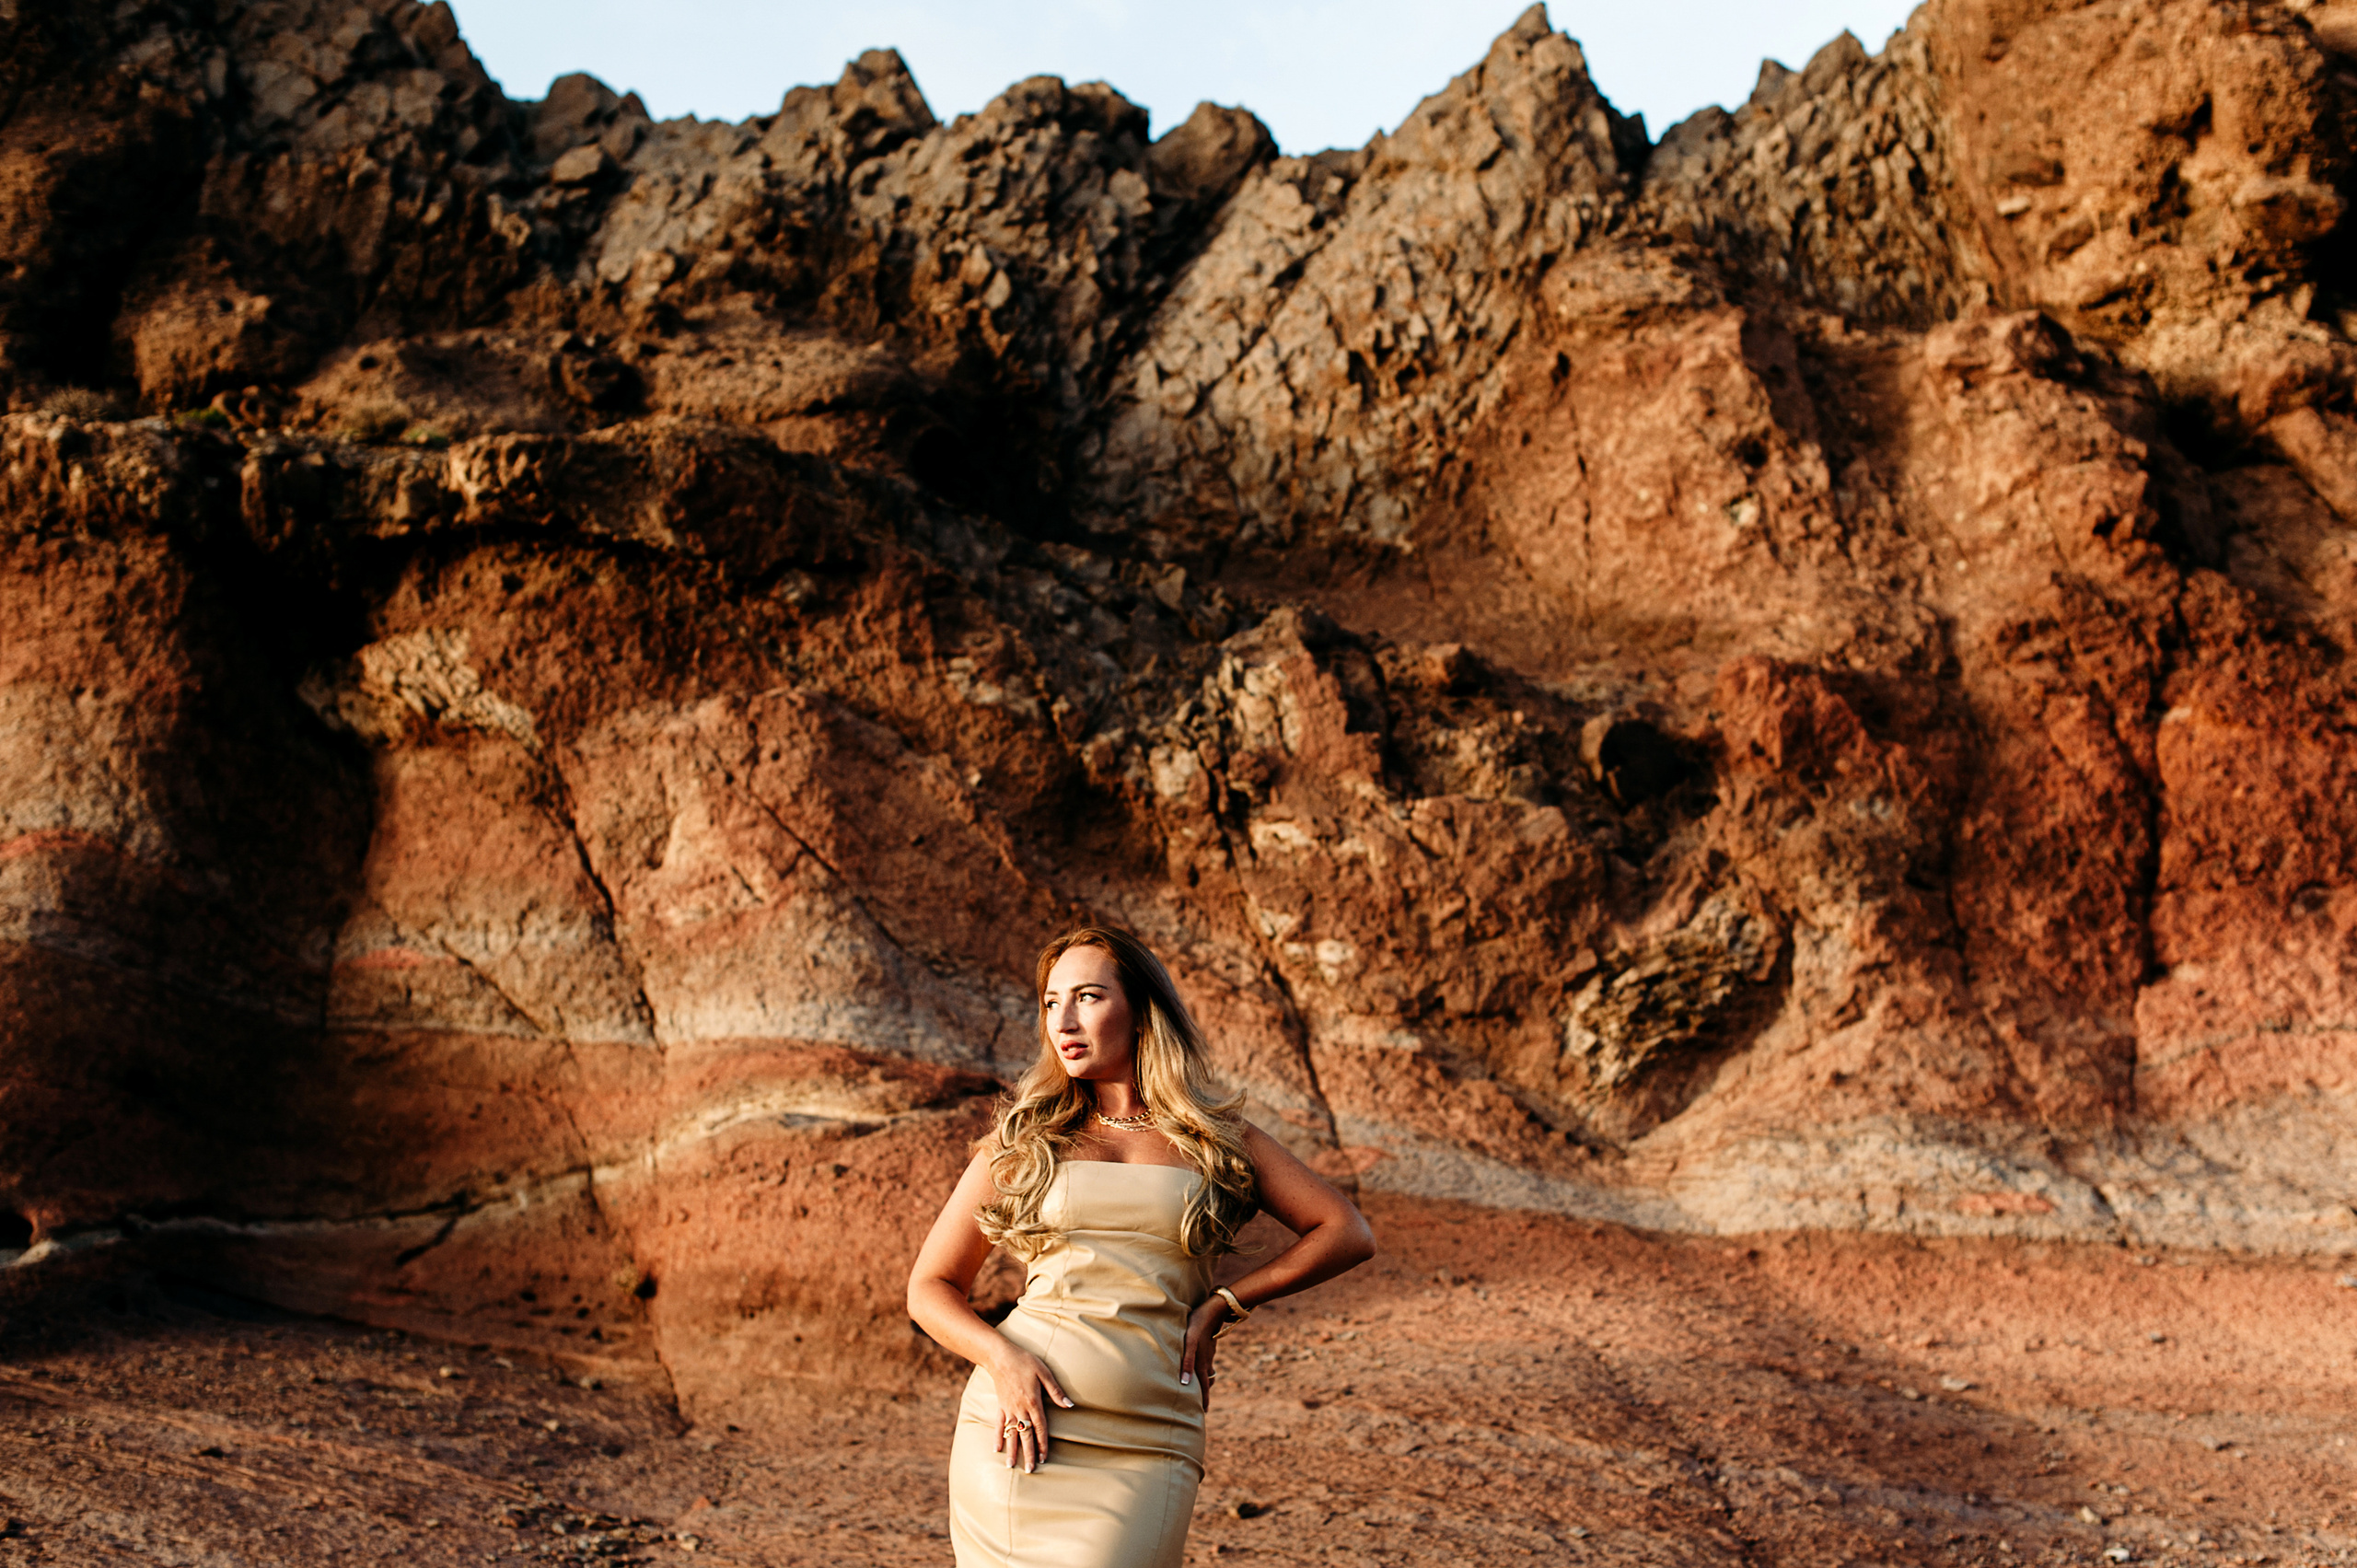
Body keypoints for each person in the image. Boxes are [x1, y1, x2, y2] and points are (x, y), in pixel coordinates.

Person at [908, 924, 1377, 1568]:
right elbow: (929, 1286)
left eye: (1088, 997)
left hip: (1151, 1442)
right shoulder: (1026, 1139)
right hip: (1022, 1433)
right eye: (1051, 1002)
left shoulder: (1215, 1137)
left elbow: (1345, 1231)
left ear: (1142, 1010)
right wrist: (1001, 1359)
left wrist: (1226, 1302)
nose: (1063, 1021)